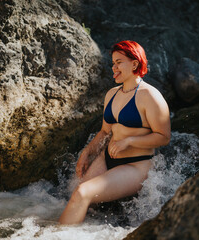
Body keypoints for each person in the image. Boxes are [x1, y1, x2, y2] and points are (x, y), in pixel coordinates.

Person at [58, 40, 171, 225]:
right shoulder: (112, 94)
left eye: (119, 62)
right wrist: (87, 153)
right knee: (76, 196)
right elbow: (104, 132)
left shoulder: (150, 96)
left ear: (135, 63)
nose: (114, 68)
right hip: (107, 159)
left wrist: (130, 141)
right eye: (113, 63)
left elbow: (164, 137)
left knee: (82, 193)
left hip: (136, 166)